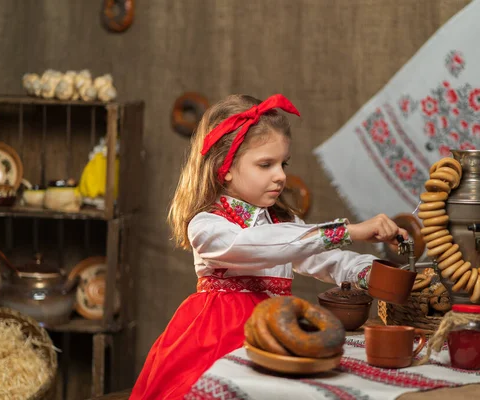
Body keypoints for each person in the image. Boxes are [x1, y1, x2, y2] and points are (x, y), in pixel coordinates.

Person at [130, 94, 408, 399]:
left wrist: (374, 272)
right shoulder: (208, 226)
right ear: (225, 168)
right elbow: (259, 246)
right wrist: (348, 230)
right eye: (266, 164)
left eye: (282, 163)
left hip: (279, 333)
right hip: (219, 342)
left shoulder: (282, 223)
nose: (280, 176)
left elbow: (323, 258)